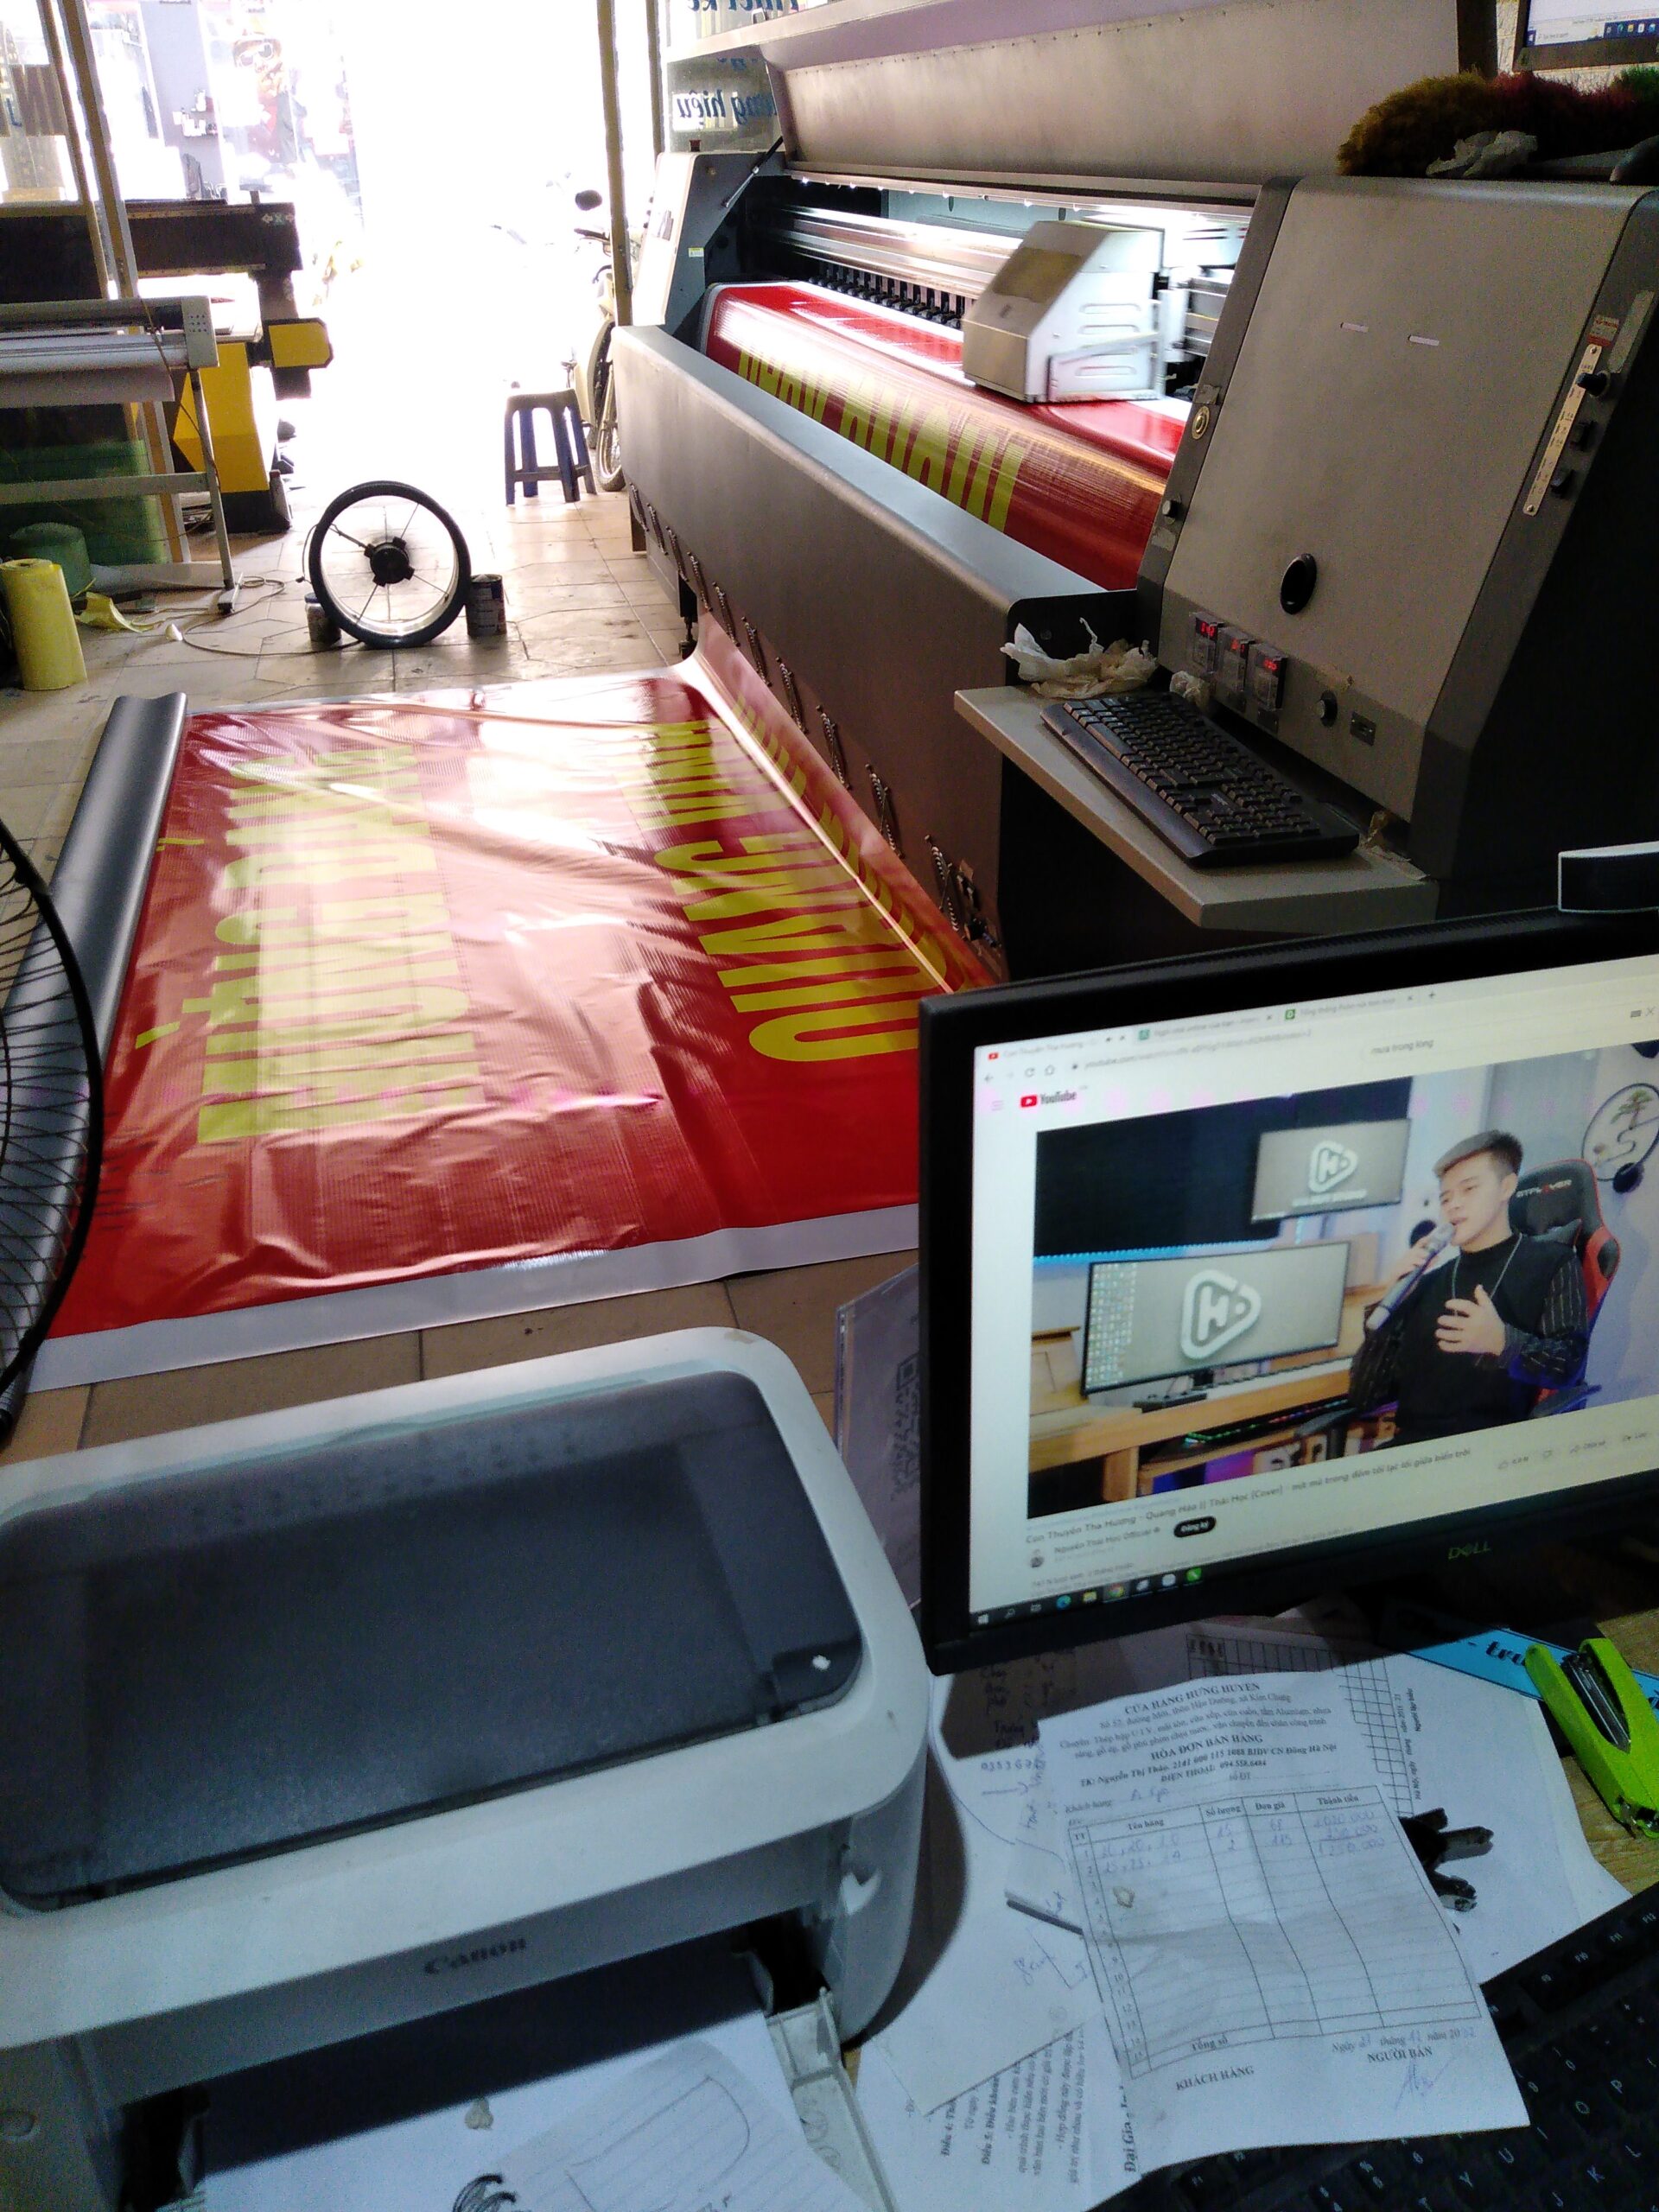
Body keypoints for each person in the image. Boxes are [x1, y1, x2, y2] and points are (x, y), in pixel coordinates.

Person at [1347, 1129, 1587, 1449]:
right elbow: (1364, 1397)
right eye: (1445, 1198)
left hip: (1493, 1452)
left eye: (1469, 1189)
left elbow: (1570, 1366)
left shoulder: (1552, 1263)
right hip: (1412, 1453)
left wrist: (1503, 1343)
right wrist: (1390, 1303)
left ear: (1506, 1187)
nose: (1454, 1206)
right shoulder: (1427, 1282)